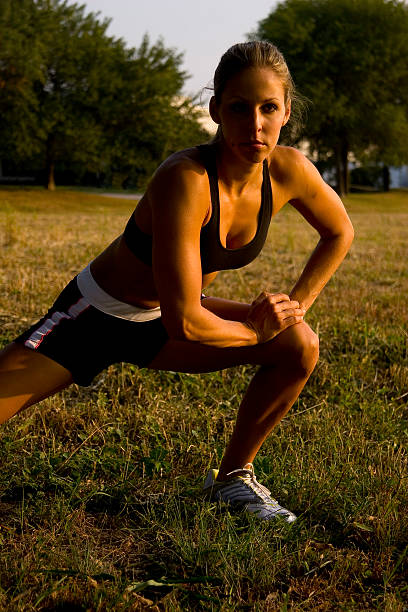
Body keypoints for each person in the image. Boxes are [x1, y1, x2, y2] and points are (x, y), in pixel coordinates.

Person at [0, 41, 354, 522]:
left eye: (269, 108)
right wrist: (256, 331)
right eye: (238, 107)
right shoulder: (184, 178)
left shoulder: (288, 169)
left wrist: (295, 307)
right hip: (93, 318)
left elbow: (339, 231)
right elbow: (185, 320)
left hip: (161, 326)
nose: (255, 124)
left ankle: (233, 480)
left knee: (299, 345)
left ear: (286, 111)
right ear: (215, 110)